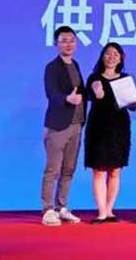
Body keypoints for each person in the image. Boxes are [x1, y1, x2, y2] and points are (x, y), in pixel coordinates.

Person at [41, 25, 86, 226]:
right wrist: (67, 98)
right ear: (56, 44)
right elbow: (51, 93)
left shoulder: (75, 64)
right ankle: (47, 209)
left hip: (77, 125)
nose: (68, 44)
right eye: (64, 41)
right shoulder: (52, 67)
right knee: (53, 169)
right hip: (58, 125)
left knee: (69, 169)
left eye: (72, 40)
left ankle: (61, 207)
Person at [84, 42, 132, 224]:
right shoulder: (94, 78)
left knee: (115, 170)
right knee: (98, 171)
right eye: (108, 53)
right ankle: (101, 212)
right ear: (102, 56)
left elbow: (131, 105)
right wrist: (97, 94)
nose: (112, 57)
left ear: (120, 59)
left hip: (119, 128)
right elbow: (90, 97)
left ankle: (110, 210)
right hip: (98, 127)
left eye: (115, 54)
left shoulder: (125, 79)